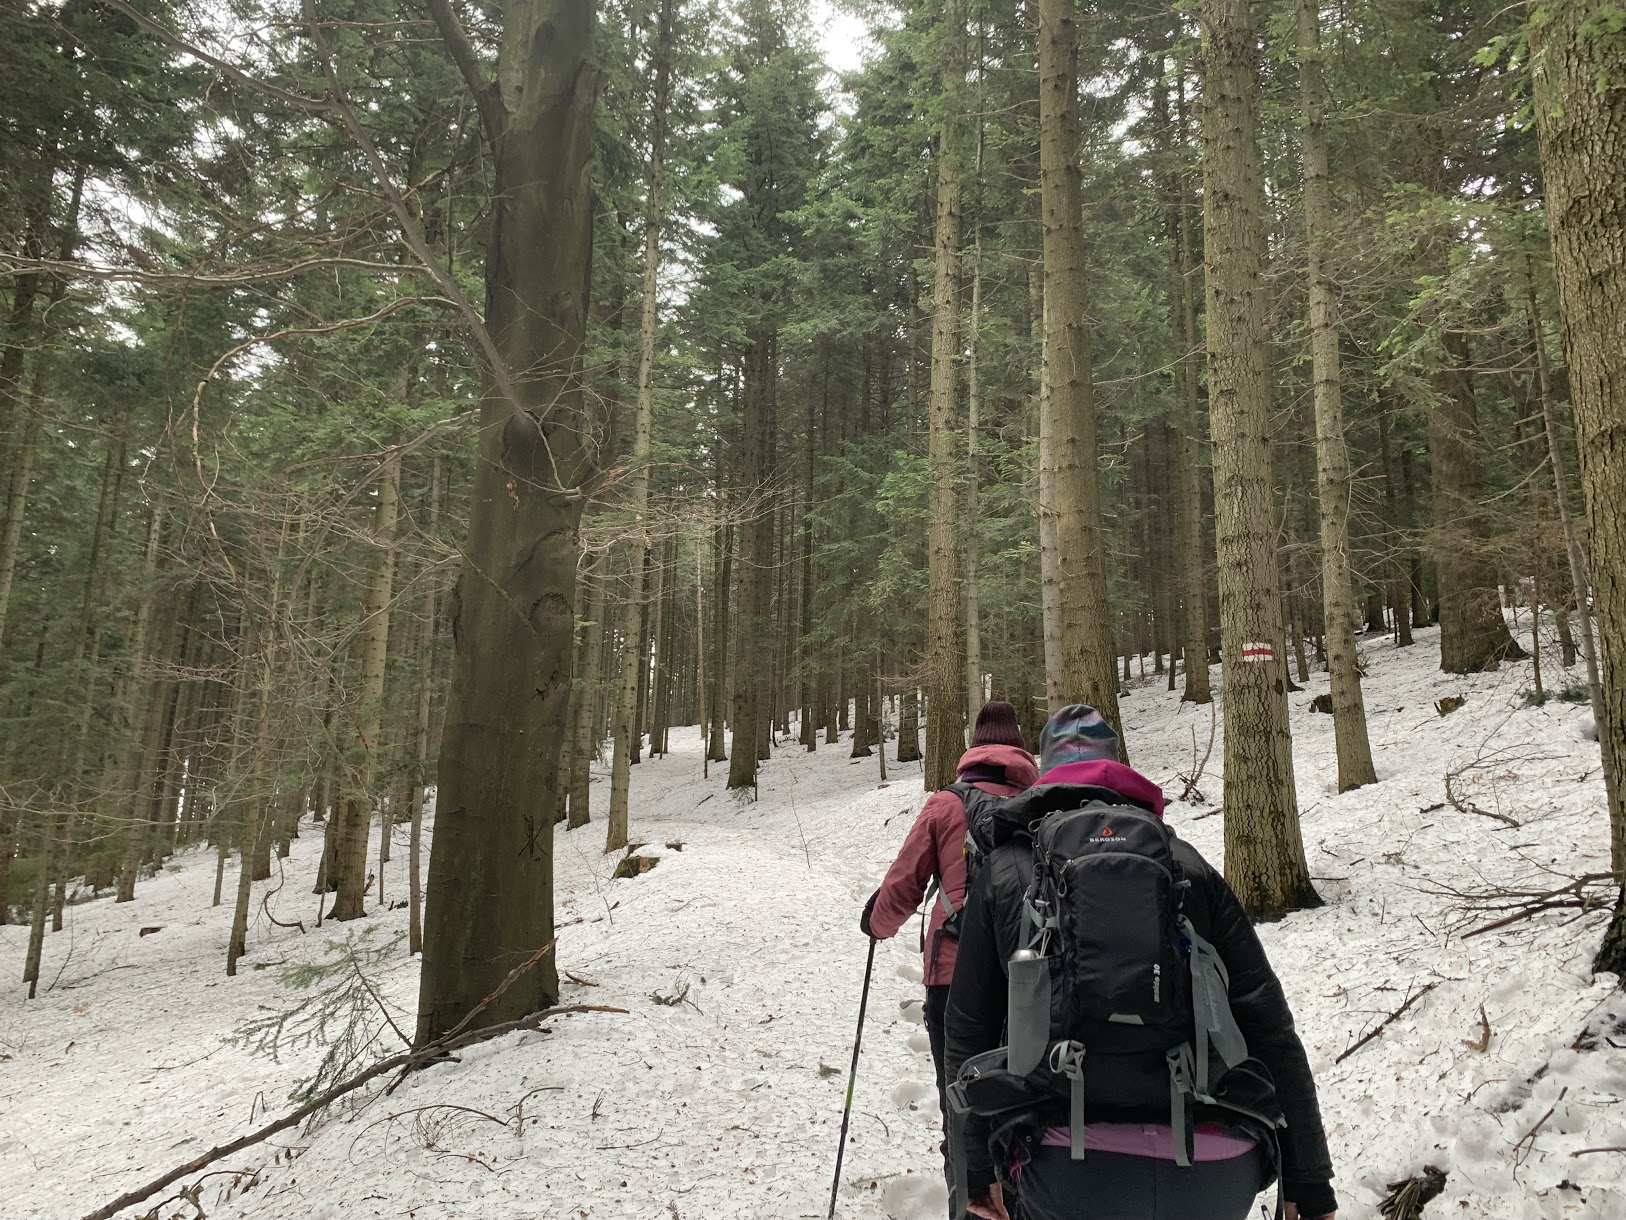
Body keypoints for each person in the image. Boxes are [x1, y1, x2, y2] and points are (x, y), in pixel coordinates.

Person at [944, 705, 1338, 1220]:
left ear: (1044, 774)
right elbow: (1269, 1024)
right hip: (1212, 1166)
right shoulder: (1188, 864)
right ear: (1117, 770)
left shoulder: (1005, 870)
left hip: (1064, 1167)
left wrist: (975, 1173)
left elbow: (968, 1030)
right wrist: (1308, 1180)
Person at [862, 701, 1039, 1201]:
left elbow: (904, 885)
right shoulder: (1044, 803)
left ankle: (970, 1199)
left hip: (953, 976)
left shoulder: (946, 804)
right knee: (1030, 1099)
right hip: (1033, 980)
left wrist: (876, 925)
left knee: (961, 1102)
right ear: (1019, 747)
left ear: (974, 746)